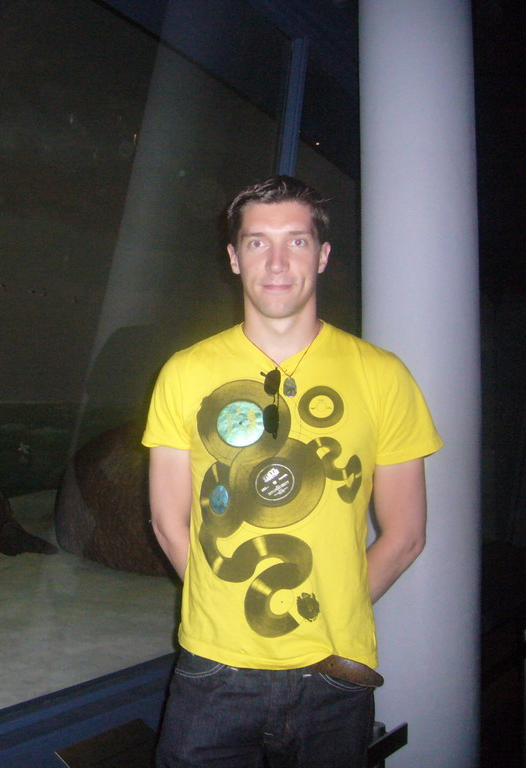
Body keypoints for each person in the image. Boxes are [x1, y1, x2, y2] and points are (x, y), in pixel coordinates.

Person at [142, 175, 442, 767]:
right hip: (212, 671)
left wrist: (335, 612)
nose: (277, 261)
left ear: (323, 255)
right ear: (233, 257)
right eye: (257, 242)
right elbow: (166, 520)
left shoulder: (383, 376)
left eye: (297, 241)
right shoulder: (183, 372)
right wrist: (225, 610)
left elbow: (405, 536)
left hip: (333, 675)